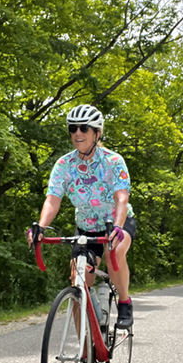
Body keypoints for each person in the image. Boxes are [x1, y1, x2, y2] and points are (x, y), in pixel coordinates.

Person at [27, 104, 136, 329]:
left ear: (97, 133)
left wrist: (116, 226)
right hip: (85, 228)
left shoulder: (113, 161)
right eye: (73, 128)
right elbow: (52, 200)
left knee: (113, 251)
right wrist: (41, 226)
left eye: (84, 128)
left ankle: (124, 302)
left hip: (116, 222)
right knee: (78, 283)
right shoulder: (64, 165)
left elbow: (121, 199)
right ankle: (84, 357)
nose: (77, 133)